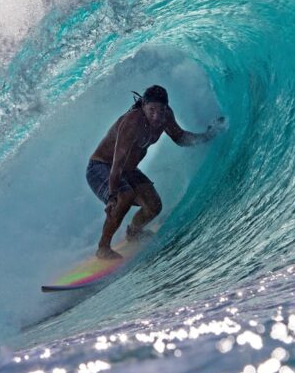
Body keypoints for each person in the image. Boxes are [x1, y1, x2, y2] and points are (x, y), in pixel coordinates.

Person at [85, 85, 224, 259]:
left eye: (161, 110)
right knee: (125, 196)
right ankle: (103, 248)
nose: (157, 116)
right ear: (143, 105)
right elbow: (117, 164)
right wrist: (112, 196)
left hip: (128, 170)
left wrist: (205, 136)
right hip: (102, 167)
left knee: (153, 206)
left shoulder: (165, 117)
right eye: (152, 110)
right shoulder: (131, 123)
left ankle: (133, 233)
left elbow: (180, 138)